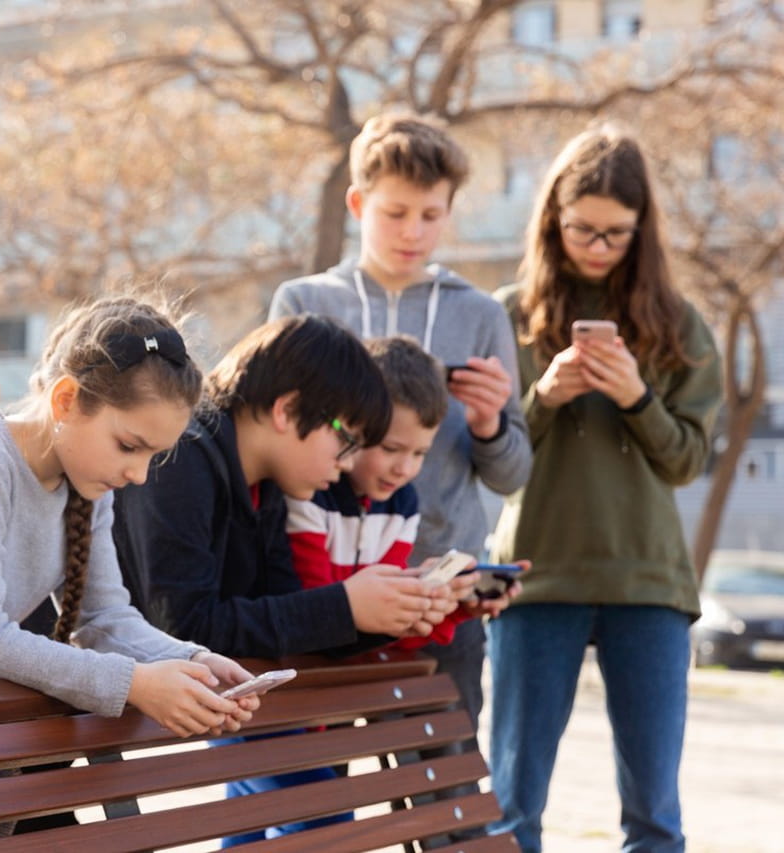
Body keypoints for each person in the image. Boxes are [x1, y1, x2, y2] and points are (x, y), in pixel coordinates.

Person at [0, 295, 260, 851]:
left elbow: (105, 616)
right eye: (129, 446)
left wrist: (190, 662)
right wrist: (135, 684)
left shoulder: (89, 484)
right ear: (66, 400)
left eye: (154, 457)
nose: (138, 474)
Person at [113, 315, 468, 845]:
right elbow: (181, 626)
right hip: (109, 684)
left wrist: (393, 611)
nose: (347, 464)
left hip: (228, 694)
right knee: (324, 815)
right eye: (345, 440)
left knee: (285, 812)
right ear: (287, 411)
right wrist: (347, 607)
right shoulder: (180, 459)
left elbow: (282, 612)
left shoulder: (271, 482)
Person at [268, 115, 533, 800]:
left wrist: (489, 422)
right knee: (312, 801)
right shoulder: (304, 303)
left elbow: (513, 473)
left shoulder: (479, 314)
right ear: (358, 205)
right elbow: (270, 442)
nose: (413, 231)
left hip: (435, 599)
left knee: (444, 803)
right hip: (325, 594)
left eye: (430, 214)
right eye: (395, 213)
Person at [486, 126, 722, 853]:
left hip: (648, 583)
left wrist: (636, 396)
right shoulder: (508, 314)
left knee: (654, 813)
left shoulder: (678, 325)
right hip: (534, 579)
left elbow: (687, 461)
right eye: (581, 227)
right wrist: (544, 395)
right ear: (552, 217)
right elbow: (489, 455)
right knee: (513, 807)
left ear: (642, 228)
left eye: (616, 233)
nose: (596, 245)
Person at [286, 335, 521, 654]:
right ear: (353, 427)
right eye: (391, 449)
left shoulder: (402, 504)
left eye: (420, 453)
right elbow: (320, 619)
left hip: (354, 676)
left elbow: (387, 628)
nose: (405, 469)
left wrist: (454, 607)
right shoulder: (309, 494)